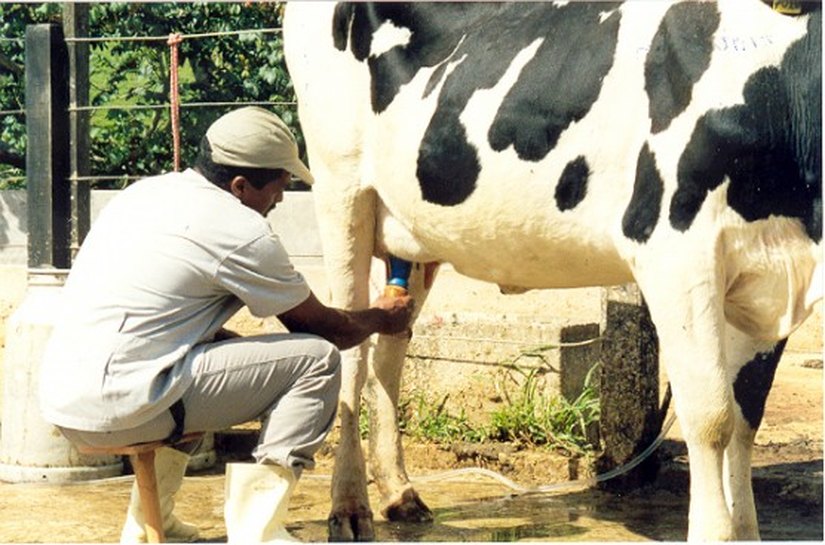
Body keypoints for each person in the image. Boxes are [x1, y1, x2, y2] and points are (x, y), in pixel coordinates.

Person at [38, 106, 415, 543]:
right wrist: (382, 318)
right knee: (316, 361)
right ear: (240, 186)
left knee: (213, 357)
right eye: (280, 185)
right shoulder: (241, 231)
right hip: (125, 405)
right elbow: (326, 330)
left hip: (64, 400)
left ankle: (149, 524)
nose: (279, 199)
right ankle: (258, 531)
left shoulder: (144, 193)